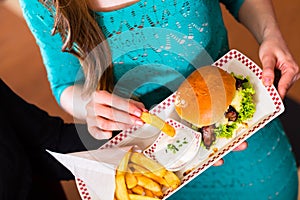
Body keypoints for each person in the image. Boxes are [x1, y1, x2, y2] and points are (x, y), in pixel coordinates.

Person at [19, 0, 299, 199]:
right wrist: (90, 107)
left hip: (239, 133)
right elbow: (65, 84)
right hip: (148, 165)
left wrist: (269, 34)